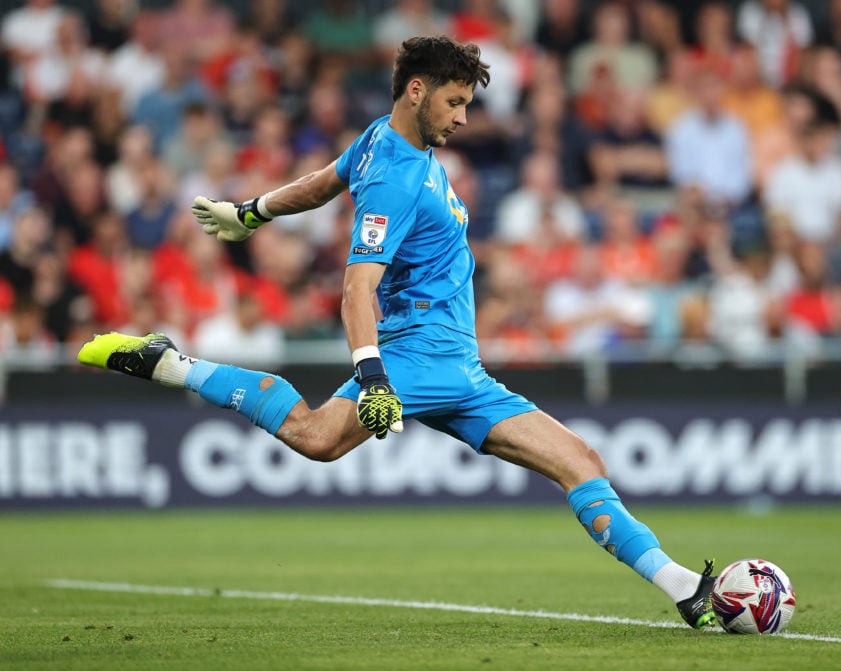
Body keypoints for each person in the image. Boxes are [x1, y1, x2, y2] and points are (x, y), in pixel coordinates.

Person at [77, 36, 717, 629]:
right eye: (455, 101)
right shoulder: (394, 178)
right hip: (417, 357)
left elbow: (321, 184)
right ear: (417, 90)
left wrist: (252, 211)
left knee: (582, 462)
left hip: (462, 368)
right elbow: (356, 287)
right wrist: (373, 372)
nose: (464, 117)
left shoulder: (383, 141)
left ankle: (686, 590)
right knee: (316, 437)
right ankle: (172, 365)